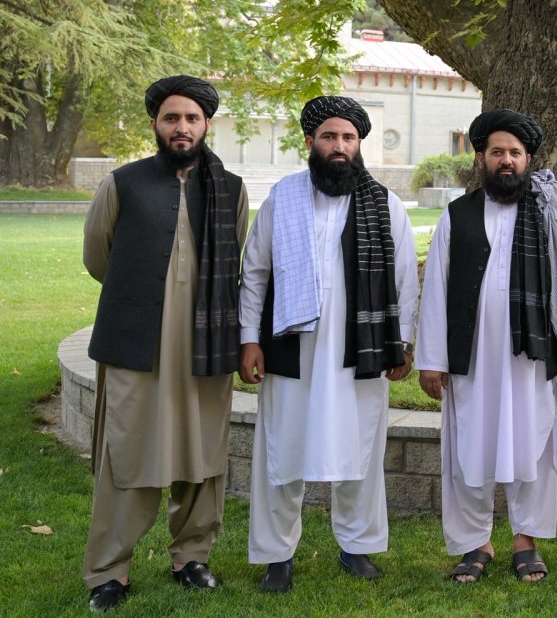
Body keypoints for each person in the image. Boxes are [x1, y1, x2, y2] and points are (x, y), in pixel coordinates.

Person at [238, 96, 418, 593]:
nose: (339, 147)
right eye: (329, 137)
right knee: (281, 448)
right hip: (290, 348)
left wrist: (402, 345)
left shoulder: (385, 203)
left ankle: (356, 546)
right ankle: (277, 556)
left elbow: (405, 280)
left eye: (348, 138)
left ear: (359, 144)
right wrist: (249, 339)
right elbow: (254, 274)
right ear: (310, 143)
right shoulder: (283, 196)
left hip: (359, 347)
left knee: (361, 446)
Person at [81, 76, 247, 612]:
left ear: (206, 125)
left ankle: (192, 556)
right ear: (155, 123)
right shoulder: (122, 183)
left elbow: (237, 254)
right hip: (137, 340)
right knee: (127, 451)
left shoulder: (231, 188)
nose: (182, 127)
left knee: (203, 449)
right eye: (172, 118)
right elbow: (98, 258)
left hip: (207, 341)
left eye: (192, 119)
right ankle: (110, 570)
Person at [417, 109, 557, 584]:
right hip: (471, 356)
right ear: (481, 158)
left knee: (531, 445)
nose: (506, 161)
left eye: (514, 153)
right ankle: (475, 543)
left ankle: (525, 541)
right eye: (497, 152)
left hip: (530, 357)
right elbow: (437, 289)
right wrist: (432, 359)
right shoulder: (458, 214)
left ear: (528, 158)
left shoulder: (551, 214)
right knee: (470, 445)